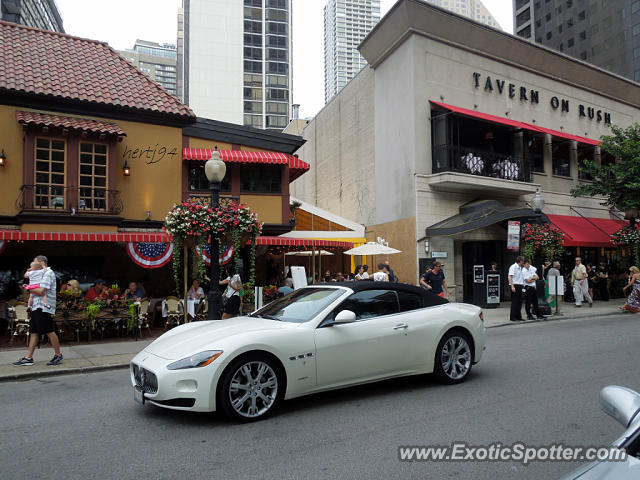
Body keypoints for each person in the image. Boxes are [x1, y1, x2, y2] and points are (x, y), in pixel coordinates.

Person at [13, 255, 63, 366]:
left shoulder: (48, 273)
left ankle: (58, 355)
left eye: (34, 262)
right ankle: (29, 358)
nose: (32, 265)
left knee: (49, 330)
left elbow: (41, 291)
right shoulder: (40, 273)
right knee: (34, 332)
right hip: (36, 306)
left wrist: (28, 288)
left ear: (40, 262)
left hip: (44, 307)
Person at [508, 256, 525, 321]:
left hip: (520, 285)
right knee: (515, 302)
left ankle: (518, 316)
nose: (523, 262)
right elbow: (510, 277)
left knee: (519, 302)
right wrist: (512, 286)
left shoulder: (521, 268)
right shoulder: (513, 267)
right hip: (515, 285)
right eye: (522, 261)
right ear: (520, 261)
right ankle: (513, 317)